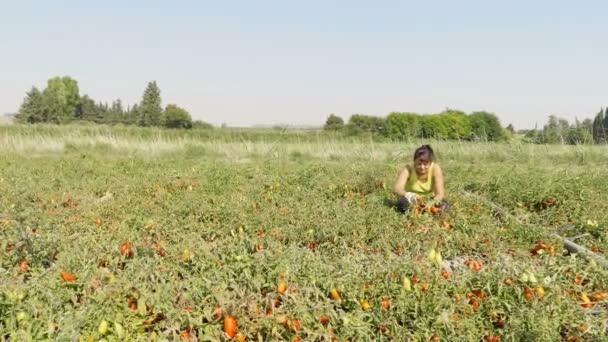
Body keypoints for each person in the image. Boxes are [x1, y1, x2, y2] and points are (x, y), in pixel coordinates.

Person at [393, 144, 449, 213]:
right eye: (419, 164)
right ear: (414, 161)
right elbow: (397, 189)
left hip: (428, 200)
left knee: (444, 204)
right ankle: (417, 211)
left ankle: (426, 210)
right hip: (410, 200)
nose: (422, 167)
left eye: (425, 164)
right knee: (402, 203)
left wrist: (430, 203)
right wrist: (409, 195)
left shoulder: (435, 168)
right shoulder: (408, 169)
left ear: (430, 163)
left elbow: (440, 194)